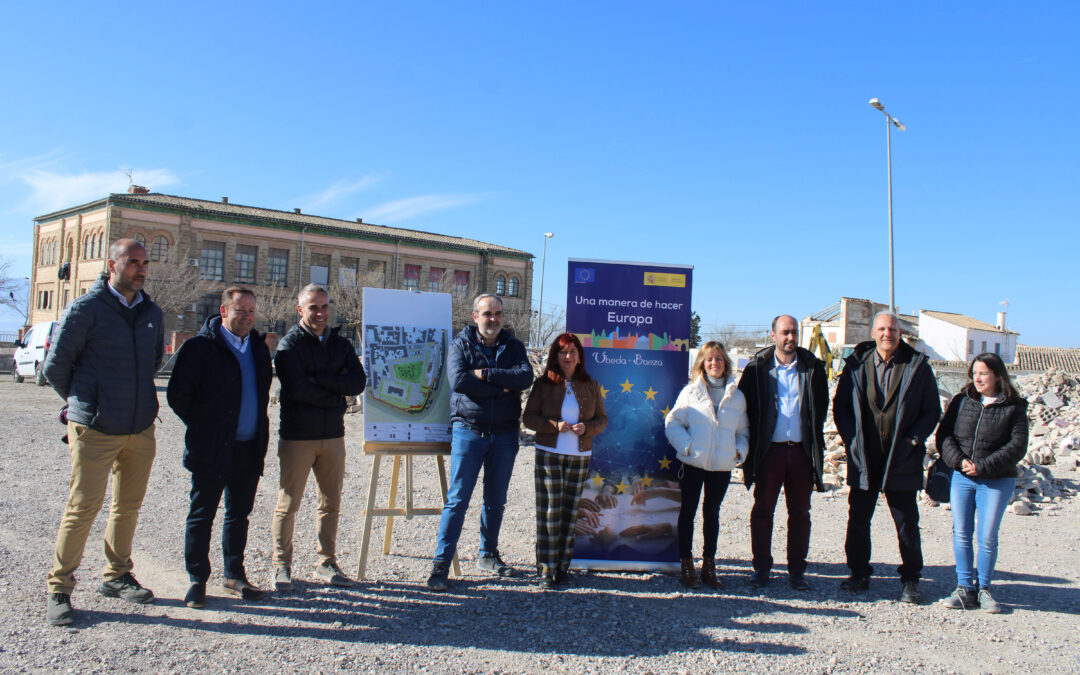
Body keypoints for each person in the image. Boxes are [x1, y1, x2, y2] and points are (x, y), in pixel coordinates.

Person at [42, 238, 164, 626]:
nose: (141, 269)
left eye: (144, 263)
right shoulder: (86, 309)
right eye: (133, 262)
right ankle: (59, 587)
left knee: (127, 507)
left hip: (140, 427)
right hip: (95, 428)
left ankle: (116, 575)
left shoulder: (152, 312)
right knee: (83, 508)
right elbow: (55, 367)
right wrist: (83, 405)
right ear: (112, 264)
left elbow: (153, 361)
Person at [167, 287, 273, 608]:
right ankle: (197, 580)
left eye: (252, 311)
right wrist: (205, 426)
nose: (247, 317)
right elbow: (178, 396)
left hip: (248, 447)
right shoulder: (200, 348)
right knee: (202, 515)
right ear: (224, 311)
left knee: (239, 515)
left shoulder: (257, 348)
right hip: (211, 447)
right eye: (240, 310)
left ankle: (234, 574)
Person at [833, 311, 941, 604]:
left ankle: (911, 580)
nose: (887, 334)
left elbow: (932, 410)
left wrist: (913, 439)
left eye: (892, 329)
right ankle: (858, 574)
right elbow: (840, 405)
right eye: (881, 329)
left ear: (899, 332)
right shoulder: (856, 365)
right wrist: (851, 440)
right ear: (873, 332)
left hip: (902, 457)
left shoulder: (917, 366)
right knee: (858, 519)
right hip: (864, 457)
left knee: (906, 522)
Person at [426, 294, 532, 591]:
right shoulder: (460, 344)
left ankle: (489, 554)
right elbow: (459, 381)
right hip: (469, 432)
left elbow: (524, 377)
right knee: (457, 500)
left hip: (505, 434)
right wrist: (501, 390)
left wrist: (485, 374)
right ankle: (440, 564)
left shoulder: (514, 346)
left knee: (495, 500)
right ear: (475, 316)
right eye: (487, 313)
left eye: (498, 313)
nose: (493, 319)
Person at [271, 283, 366, 590]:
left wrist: (323, 381)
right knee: (289, 503)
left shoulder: (341, 344)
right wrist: (337, 394)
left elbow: (357, 382)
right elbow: (297, 390)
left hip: (333, 436)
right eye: (313, 307)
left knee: (331, 504)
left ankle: (326, 562)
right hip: (299, 437)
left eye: (324, 306)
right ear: (300, 309)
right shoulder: (290, 346)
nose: (320, 313)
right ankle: (281, 565)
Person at [737, 315, 828, 591]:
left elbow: (820, 409)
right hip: (769, 453)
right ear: (773, 335)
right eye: (785, 332)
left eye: (794, 332)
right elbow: (744, 407)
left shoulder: (812, 368)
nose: (791, 337)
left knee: (800, 513)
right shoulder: (757, 369)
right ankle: (761, 569)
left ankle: (797, 572)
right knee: (763, 511)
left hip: (800, 453)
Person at [936, 353, 1028, 613]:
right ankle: (964, 588)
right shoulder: (961, 401)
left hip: (996, 480)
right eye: (974, 372)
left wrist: (984, 467)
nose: (977, 378)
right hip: (962, 477)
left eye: (984, 373)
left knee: (987, 536)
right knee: (961, 533)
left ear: (998, 375)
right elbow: (944, 434)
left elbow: (1018, 445)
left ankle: (985, 588)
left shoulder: (1014, 406)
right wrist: (959, 461)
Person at [523, 333, 607, 589]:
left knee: (570, 514)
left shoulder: (591, 385)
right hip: (550, 454)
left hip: (579, 457)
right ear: (555, 357)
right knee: (550, 512)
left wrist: (587, 428)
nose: (568, 357)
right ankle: (546, 569)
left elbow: (602, 420)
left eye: (572, 352)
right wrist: (553, 425)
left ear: (579, 356)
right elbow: (528, 419)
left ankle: (562, 567)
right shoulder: (543, 384)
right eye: (563, 352)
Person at [664, 341, 748, 589]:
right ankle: (686, 563)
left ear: (726, 363)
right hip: (694, 462)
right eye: (710, 359)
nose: (715, 363)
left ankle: (709, 565)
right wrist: (687, 446)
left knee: (712, 514)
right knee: (688, 512)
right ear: (702, 363)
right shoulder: (690, 393)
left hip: (721, 466)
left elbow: (743, 431)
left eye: (719, 359)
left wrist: (738, 452)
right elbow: (672, 422)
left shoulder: (737, 396)